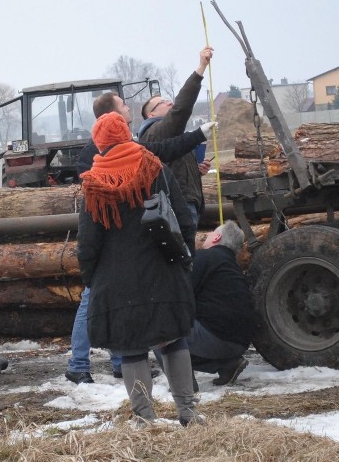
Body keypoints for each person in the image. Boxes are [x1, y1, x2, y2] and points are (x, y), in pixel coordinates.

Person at [65, 91, 216, 384]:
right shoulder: (113, 159)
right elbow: (95, 220)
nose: (127, 107)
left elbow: (165, 149)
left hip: (117, 259)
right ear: (115, 117)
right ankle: (81, 363)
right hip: (122, 254)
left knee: (123, 330)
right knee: (95, 303)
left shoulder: (132, 152)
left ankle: (118, 366)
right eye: (123, 104)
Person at [77, 111, 202, 426]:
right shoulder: (153, 166)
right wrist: (184, 257)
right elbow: (184, 219)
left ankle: (145, 420)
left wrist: (91, 277)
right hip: (163, 268)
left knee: (131, 349)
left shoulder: (94, 182)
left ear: (101, 143)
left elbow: (88, 241)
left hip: (118, 279)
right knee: (173, 339)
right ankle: (188, 413)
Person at [139, 46, 214, 226]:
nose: (170, 102)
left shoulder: (167, 132)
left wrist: (197, 171)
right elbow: (181, 109)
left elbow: (174, 169)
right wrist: (200, 69)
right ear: (151, 114)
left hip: (184, 203)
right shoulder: (154, 132)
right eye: (163, 102)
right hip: (178, 205)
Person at [188, 220, 257, 385]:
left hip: (216, 339)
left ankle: (183, 387)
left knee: (161, 331)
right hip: (240, 344)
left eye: (210, 233)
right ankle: (227, 366)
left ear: (217, 237)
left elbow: (180, 294)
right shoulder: (232, 266)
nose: (207, 235)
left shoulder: (204, 258)